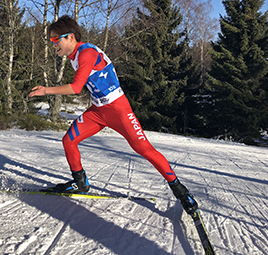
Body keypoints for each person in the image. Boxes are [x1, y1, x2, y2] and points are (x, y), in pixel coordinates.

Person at [29, 15, 198, 214]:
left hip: (118, 110)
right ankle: (80, 183)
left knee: (145, 149)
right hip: (98, 111)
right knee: (69, 141)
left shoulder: (86, 53)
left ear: (71, 37)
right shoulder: (74, 56)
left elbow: (76, 88)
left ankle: (180, 190)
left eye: (56, 39)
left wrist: (46, 90)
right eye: (51, 40)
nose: (53, 44)